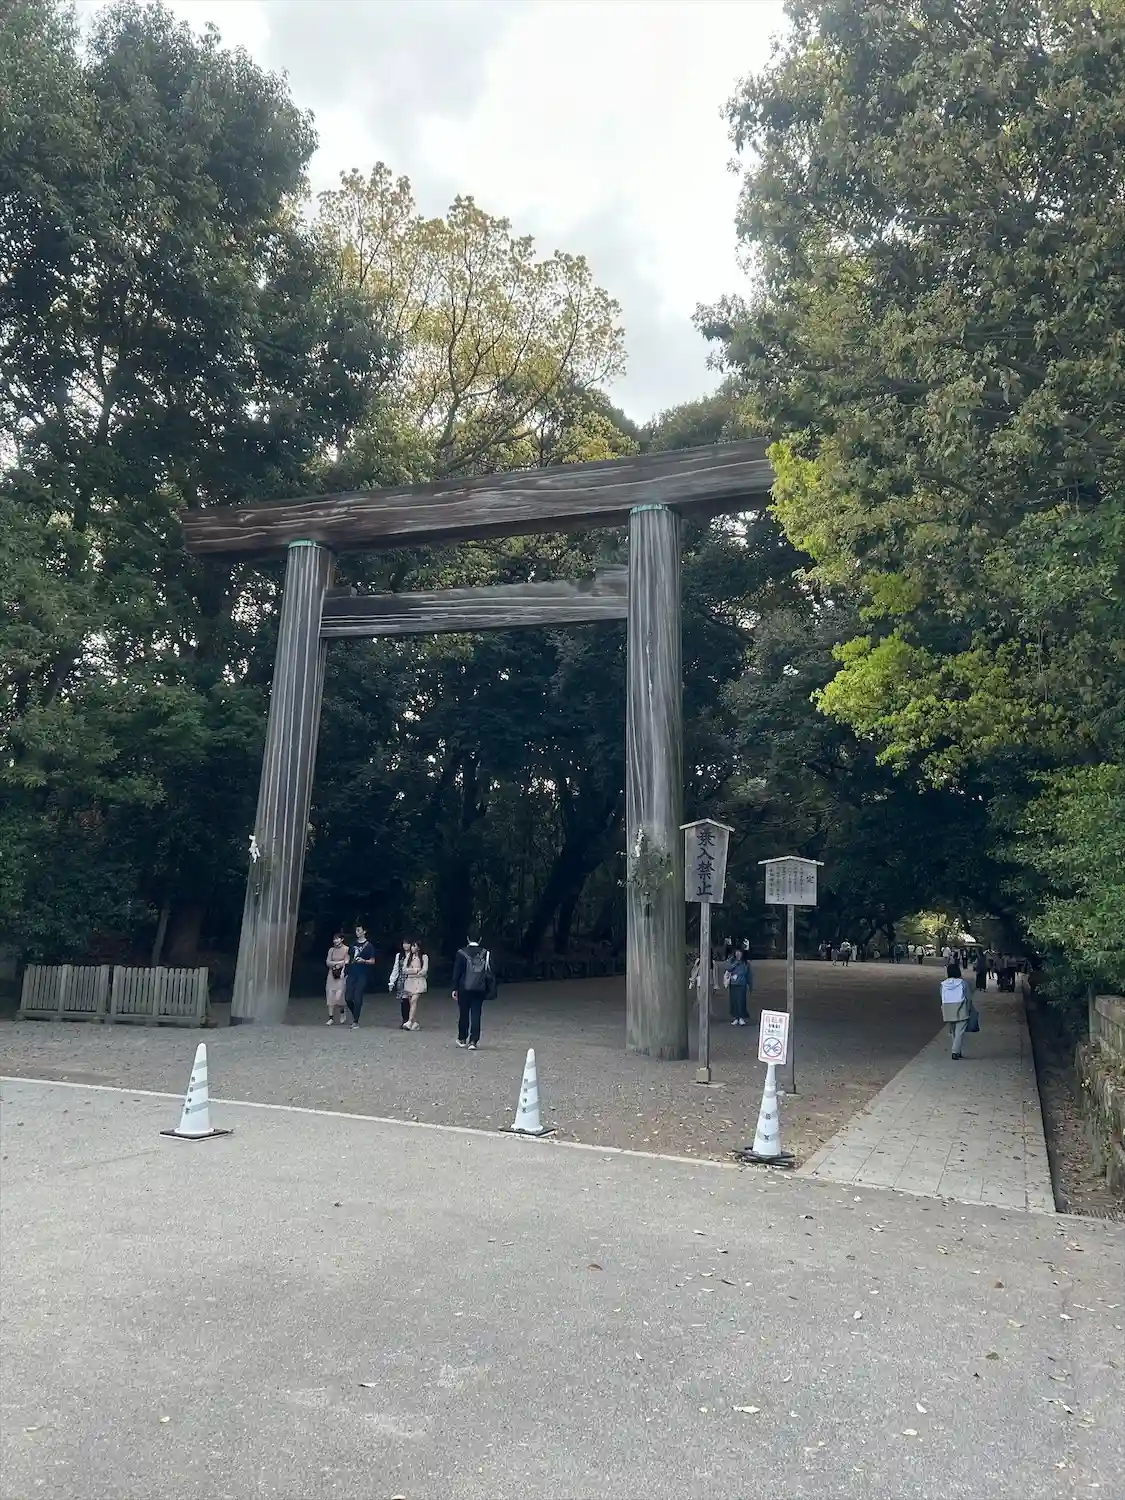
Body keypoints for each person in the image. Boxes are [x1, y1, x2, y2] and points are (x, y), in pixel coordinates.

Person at [452, 930, 493, 1050]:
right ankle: (473, 1041)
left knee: (463, 1013)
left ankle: (462, 1038)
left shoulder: (461, 953)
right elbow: (490, 970)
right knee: (476, 1013)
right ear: (480, 939)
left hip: (463, 987)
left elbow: (457, 972)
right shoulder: (485, 953)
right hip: (480, 987)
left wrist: (454, 988)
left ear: (467, 938)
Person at [941, 961, 976, 1060]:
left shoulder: (943, 984)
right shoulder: (963, 983)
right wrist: (969, 1009)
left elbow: (942, 996)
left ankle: (957, 1050)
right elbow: (968, 997)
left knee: (953, 1032)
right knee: (959, 1032)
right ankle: (955, 1051)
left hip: (948, 1008)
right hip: (962, 1008)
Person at [344, 924, 376, 1029]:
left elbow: (372, 961)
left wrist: (364, 961)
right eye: (356, 930)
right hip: (351, 973)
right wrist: (345, 968)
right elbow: (348, 957)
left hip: (362, 974)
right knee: (348, 997)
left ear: (364, 931)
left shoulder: (369, 946)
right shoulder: (352, 944)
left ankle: (355, 1021)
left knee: (358, 997)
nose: (357, 932)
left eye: (359, 930)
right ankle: (355, 1013)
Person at [401, 939, 429, 1030]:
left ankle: (409, 1021)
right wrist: (415, 970)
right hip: (409, 981)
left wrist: (417, 972)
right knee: (411, 1003)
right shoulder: (409, 956)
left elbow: (424, 970)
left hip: (419, 981)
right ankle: (414, 1022)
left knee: (414, 1000)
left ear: (418, 947)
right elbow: (404, 969)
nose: (412, 948)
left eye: (414, 946)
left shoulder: (424, 957)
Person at [723, 947, 752, 1026]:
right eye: (736, 952)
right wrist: (736, 963)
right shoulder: (732, 961)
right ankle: (736, 1017)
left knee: (741, 1001)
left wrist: (750, 985)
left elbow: (749, 975)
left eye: (740, 952)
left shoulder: (746, 963)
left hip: (742, 984)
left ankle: (741, 1017)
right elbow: (728, 968)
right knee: (734, 1001)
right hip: (733, 984)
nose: (738, 954)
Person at [325, 932, 349, 1025]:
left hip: (342, 974)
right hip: (332, 974)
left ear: (342, 939)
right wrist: (337, 963)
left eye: (337, 939)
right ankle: (331, 1017)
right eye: (334, 939)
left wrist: (339, 964)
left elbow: (346, 962)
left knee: (339, 997)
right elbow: (328, 962)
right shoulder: (331, 950)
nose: (335, 941)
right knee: (330, 995)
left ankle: (342, 1011)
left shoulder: (346, 949)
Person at [388, 938, 410, 1027]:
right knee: (404, 1000)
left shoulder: (414, 955)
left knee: (411, 1000)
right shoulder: (399, 955)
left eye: (407, 943)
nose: (405, 945)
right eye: (404, 943)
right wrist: (391, 981)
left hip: (412, 978)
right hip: (402, 979)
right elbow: (395, 968)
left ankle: (410, 1019)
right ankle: (405, 1020)